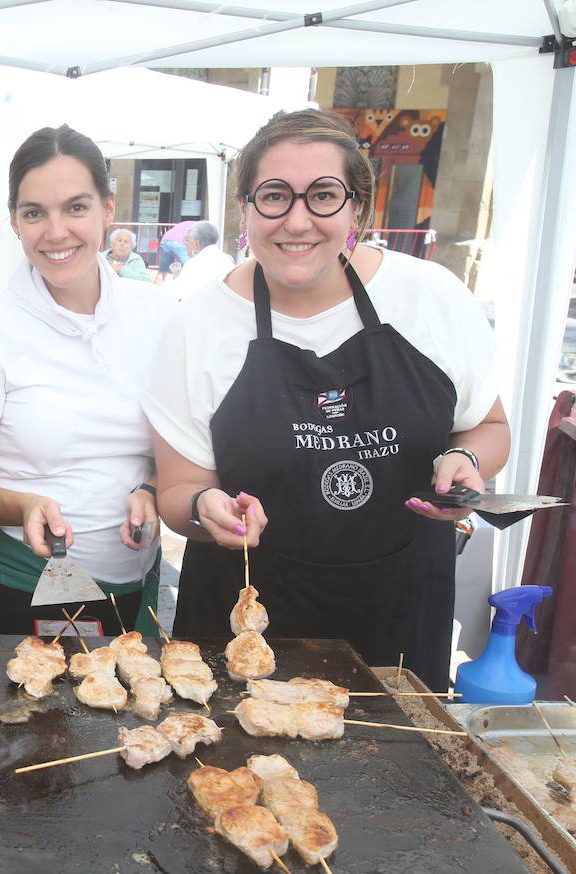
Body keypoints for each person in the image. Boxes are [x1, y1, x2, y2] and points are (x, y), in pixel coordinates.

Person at [143, 109, 509, 690]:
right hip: (245, 625)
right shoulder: (198, 326)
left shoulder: (430, 296)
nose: (297, 220)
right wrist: (203, 508)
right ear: (245, 208)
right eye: (274, 196)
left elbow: (487, 427)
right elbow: (177, 491)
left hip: (400, 619)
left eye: (323, 196)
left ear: (356, 207)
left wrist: (467, 465)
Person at [0, 125, 169, 636]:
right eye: (34, 213)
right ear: (15, 222)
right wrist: (24, 505)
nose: (56, 230)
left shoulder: (155, 315)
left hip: (132, 586)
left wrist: (152, 488)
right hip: (16, 581)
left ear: (108, 208)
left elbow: (181, 447)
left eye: (76, 207)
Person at [162, 220, 234, 304]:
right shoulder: (226, 259)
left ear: (196, 243)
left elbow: (174, 294)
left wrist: (173, 280)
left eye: (187, 240)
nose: (185, 244)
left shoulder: (195, 263)